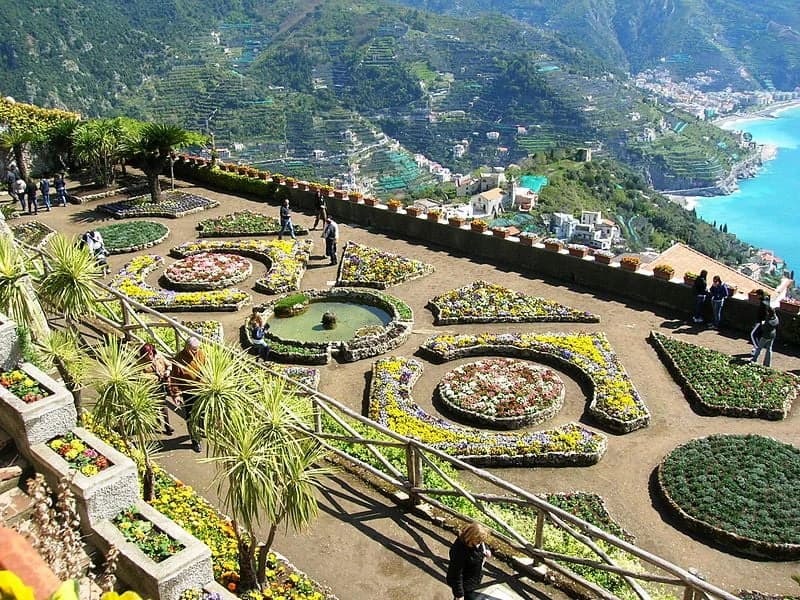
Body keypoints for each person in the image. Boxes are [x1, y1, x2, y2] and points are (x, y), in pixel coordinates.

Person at [174, 337, 206, 453]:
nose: (196, 351)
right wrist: (176, 394)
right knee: (191, 417)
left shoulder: (201, 354)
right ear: (187, 348)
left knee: (202, 413)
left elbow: (207, 367)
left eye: (197, 349)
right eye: (193, 349)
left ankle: (202, 430)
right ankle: (195, 440)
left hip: (202, 389)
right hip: (188, 392)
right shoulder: (179, 359)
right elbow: (174, 378)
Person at [446, 522, 491, 600]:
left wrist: (487, 549)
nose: (479, 544)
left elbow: (483, 544)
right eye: (478, 541)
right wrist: (459, 594)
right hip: (464, 584)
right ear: (471, 537)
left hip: (471, 579)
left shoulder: (475, 541)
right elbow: (456, 574)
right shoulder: (460, 551)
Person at [138, 343, 175, 435]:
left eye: (150, 354)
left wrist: (167, 371)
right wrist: (153, 377)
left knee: (163, 405)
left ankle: (167, 425)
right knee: (154, 406)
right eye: (146, 355)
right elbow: (139, 376)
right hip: (150, 387)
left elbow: (169, 364)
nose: (149, 357)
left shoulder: (159, 356)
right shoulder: (140, 362)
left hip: (161, 385)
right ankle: (157, 423)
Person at [750, 289, 771, 354]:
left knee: (753, 334)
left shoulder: (763, 303)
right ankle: (757, 349)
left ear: (760, 295)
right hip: (763, 321)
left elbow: (763, 313)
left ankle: (757, 349)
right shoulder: (767, 299)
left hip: (760, 321)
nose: (757, 296)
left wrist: (761, 321)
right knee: (759, 335)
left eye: (757, 295)